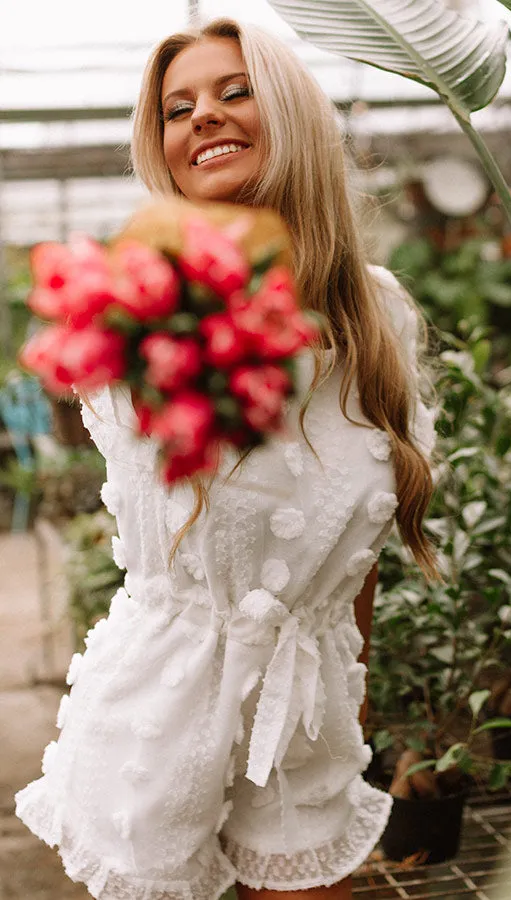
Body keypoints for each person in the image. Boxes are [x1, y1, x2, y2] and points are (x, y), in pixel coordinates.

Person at [15, 17, 437, 900]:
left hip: (309, 707)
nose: (203, 115)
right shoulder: (156, 308)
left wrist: (350, 678)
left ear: (292, 115)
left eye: (234, 91)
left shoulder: (380, 316)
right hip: (163, 714)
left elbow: (363, 539)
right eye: (178, 108)